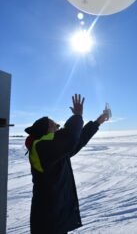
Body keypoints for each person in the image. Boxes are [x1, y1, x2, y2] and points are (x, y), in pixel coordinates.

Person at [25, 94, 109, 234]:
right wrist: (77, 115)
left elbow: (77, 140)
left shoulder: (54, 151)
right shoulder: (42, 148)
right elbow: (70, 136)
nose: (58, 127)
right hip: (47, 218)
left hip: (56, 216)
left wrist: (98, 122)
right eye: (54, 125)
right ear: (44, 132)